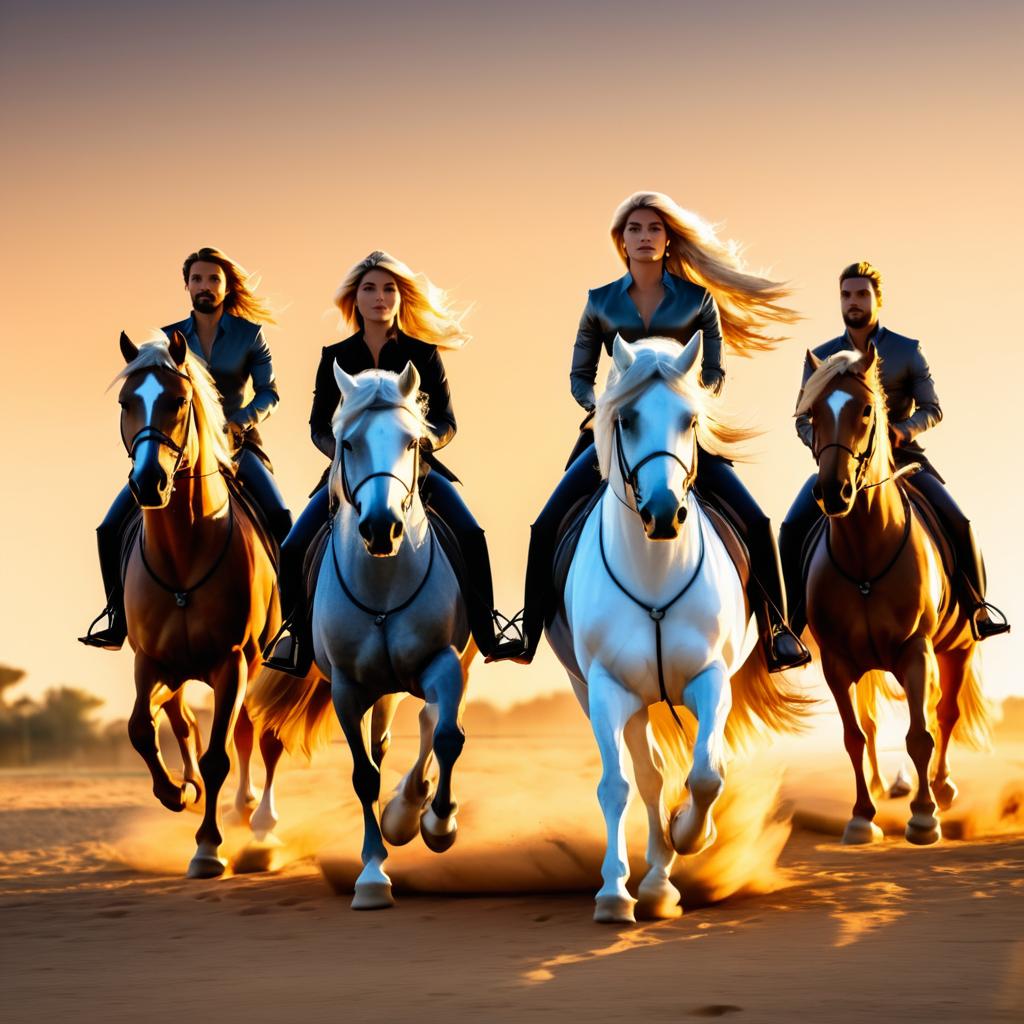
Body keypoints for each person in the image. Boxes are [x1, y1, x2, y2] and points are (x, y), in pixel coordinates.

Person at [495, 191, 810, 670]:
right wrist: (602, 406)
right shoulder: (598, 302)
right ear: (621, 241)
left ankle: (779, 634)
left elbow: (715, 373)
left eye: (654, 229)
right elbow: (580, 377)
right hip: (615, 435)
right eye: (635, 230)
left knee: (757, 521)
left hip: (682, 435)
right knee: (546, 522)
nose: (644, 238)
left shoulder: (698, 301)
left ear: (668, 240)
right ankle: (530, 632)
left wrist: (690, 403)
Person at [263, 250, 512, 676]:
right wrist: (344, 454)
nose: (380, 297)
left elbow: (447, 422)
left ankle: (488, 630)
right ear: (354, 299)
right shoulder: (334, 357)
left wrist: (420, 442)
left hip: (416, 472)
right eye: (370, 289)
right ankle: (296, 640)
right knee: (291, 547)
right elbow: (318, 426)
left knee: (471, 533)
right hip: (351, 475)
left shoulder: (424, 353)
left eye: (389, 289)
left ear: (401, 298)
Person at [779, 260, 1009, 641]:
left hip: (904, 462)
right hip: (841, 464)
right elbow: (803, 419)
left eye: (861, 294)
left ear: (877, 300)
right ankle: (788, 625)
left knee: (959, 521)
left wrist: (901, 432)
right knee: (790, 528)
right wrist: (826, 448)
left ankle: (978, 608)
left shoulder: (906, 351)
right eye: (846, 295)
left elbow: (933, 409)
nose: (853, 302)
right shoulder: (819, 359)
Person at [79, 247, 292, 650]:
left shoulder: (249, 334)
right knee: (109, 527)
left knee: (281, 517)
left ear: (226, 287)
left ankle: (289, 626)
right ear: (187, 286)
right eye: (197, 279)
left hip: (236, 448)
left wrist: (236, 422)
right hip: (175, 452)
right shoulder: (166, 339)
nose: (204, 286)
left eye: (213, 279)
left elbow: (270, 394)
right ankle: (116, 617)